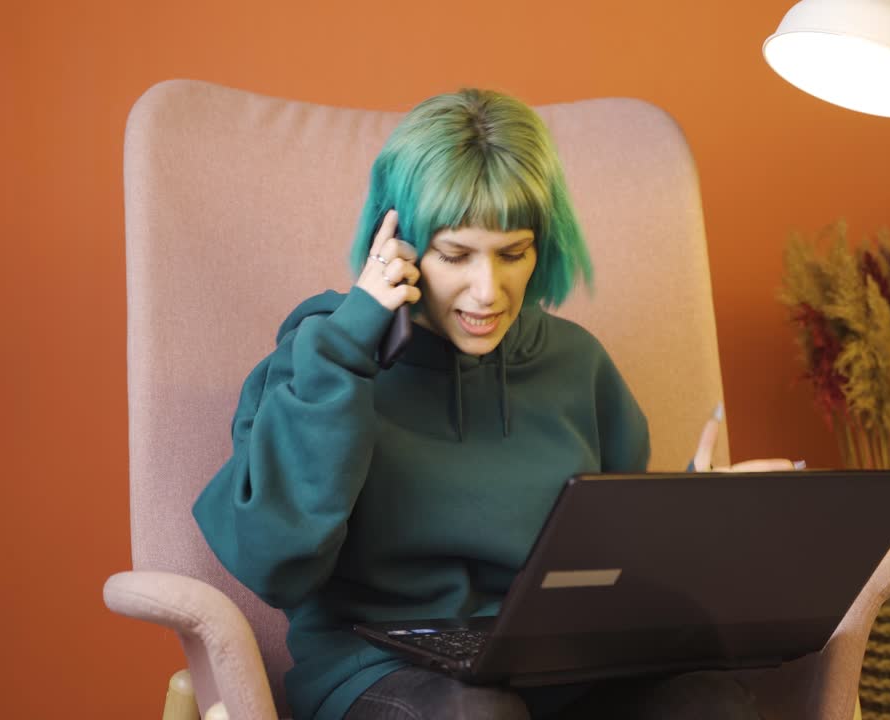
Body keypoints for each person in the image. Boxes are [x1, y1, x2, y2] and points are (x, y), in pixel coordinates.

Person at [192, 88, 763, 720]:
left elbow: (614, 560)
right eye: (455, 254)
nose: (488, 291)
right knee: (478, 713)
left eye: (512, 253)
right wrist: (351, 345)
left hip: (558, 666)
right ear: (396, 242)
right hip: (381, 671)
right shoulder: (320, 354)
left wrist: (700, 515)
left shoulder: (577, 363)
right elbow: (277, 565)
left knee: (713, 704)